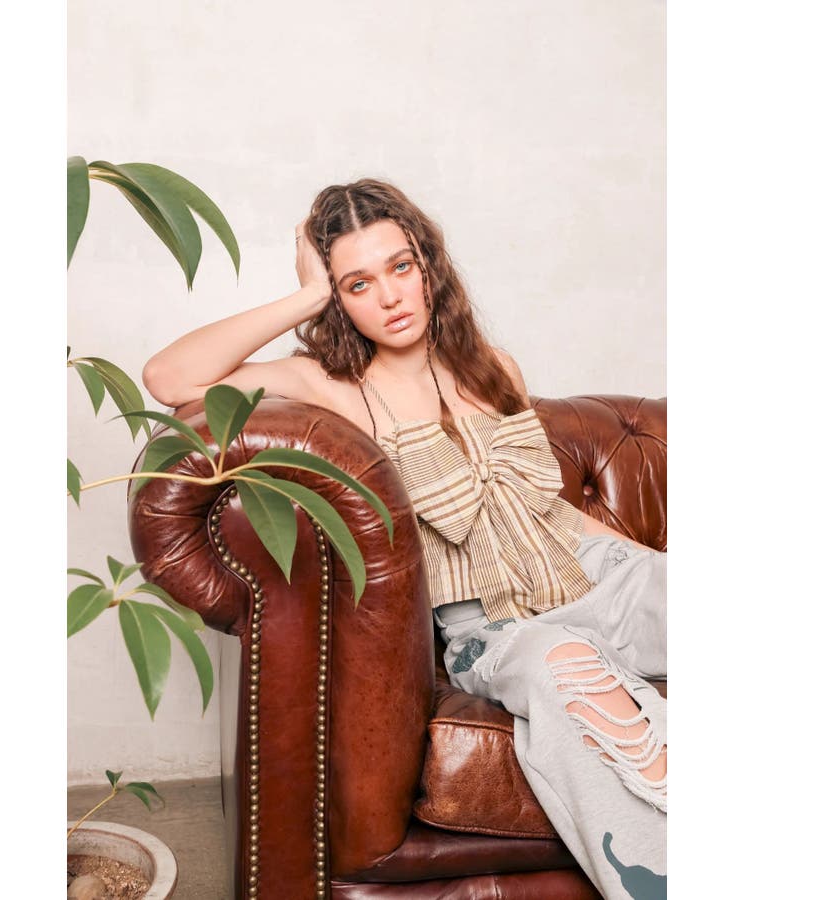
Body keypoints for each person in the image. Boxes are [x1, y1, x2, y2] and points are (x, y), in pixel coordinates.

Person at [143, 178, 667, 899]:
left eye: (400, 267)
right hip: (494, 622)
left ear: (428, 266)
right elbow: (169, 378)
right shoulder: (329, 385)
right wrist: (305, 295)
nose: (389, 296)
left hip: (593, 571)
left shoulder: (494, 368)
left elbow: (546, 509)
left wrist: (651, 567)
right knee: (564, 669)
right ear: (338, 299)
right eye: (358, 283)